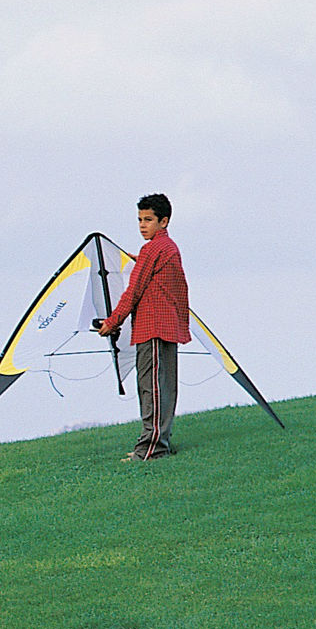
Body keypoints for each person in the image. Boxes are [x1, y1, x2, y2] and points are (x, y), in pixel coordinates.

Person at [93, 193, 190, 460]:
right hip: (163, 328)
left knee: (152, 389)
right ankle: (157, 443)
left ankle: (151, 449)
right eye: (139, 220)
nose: (142, 225)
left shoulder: (154, 249)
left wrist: (111, 323)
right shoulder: (164, 248)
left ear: (164, 221)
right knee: (162, 388)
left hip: (154, 329)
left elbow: (132, 292)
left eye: (148, 220)